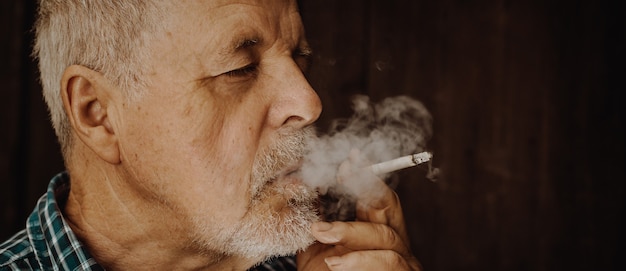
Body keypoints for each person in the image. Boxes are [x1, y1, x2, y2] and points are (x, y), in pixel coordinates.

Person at [0, 0, 421, 270]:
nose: (308, 103)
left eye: (299, 57)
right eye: (240, 68)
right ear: (99, 115)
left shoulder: (331, 262)